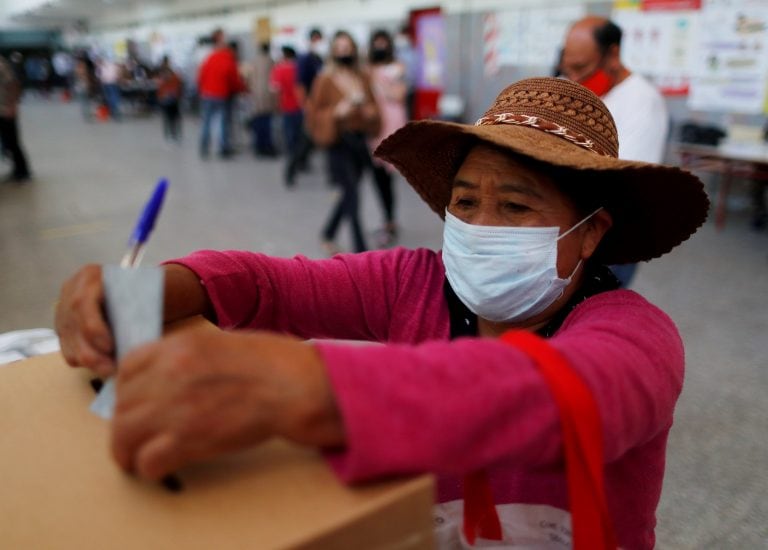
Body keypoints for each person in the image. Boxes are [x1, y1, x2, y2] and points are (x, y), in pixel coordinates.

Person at [55, 78, 709, 549]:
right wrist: (134, 296)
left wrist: (309, 386)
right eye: (464, 201)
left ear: (591, 233)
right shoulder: (410, 285)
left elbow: (565, 399)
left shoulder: (634, 335)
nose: (481, 225)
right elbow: (267, 285)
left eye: (515, 207)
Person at [560, 16, 669, 288]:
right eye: (567, 68)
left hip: (611, 233)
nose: (573, 79)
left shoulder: (642, 101)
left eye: (582, 68)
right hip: (568, 226)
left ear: (613, 54)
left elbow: (622, 180)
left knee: (596, 303)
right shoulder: (576, 88)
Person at [306, 31, 380, 254]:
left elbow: (374, 109)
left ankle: (328, 233)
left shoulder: (362, 78)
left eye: (347, 48)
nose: (344, 52)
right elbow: (313, 115)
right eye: (339, 48)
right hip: (338, 143)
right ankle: (361, 250)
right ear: (332, 52)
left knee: (350, 193)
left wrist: (368, 113)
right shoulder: (325, 80)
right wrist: (336, 113)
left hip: (359, 142)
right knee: (353, 195)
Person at [367, 29, 407, 247]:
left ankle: (390, 221)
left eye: (383, 43)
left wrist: (379, 81)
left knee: (387, 176)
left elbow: (398, 94)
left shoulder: (397, 67)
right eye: (376, 43)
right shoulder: (367, 69)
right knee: (377, 176)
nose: (380, 47)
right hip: (373, 124)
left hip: (390, 123)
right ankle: (387, 219)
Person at [197, 29, 245, 159]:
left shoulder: (210, 57)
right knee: (223, 122)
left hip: (207, 94)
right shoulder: (229, 60)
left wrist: (202, 89)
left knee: (206, 121)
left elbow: (200, 76)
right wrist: (243, 89)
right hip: (221, 95)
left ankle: (204, 148)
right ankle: (224, 148)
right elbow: (234, 80)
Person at [287, 27, 326, 184]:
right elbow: (300, 84)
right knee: (306, 139)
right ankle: (292, 168)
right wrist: (305, 104)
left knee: (312, 139)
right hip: (310, 104)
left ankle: (302, 162)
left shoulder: (318, 58)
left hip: (320, 104)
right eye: (317, 39)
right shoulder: (305, 58)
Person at [270, 46, 303, 185]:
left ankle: (292, 162)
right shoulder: (299, 68)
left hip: (286, 107)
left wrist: (276, 105)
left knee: (289, 137)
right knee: (300, 137)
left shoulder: (278, 70)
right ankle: (300, 161)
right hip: (301, 107)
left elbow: (275, 89)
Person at [0, 54, 32, 183]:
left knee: (12, 142)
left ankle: (22, 171)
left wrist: (12, 106)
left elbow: (13, 84)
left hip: (4, 110)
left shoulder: (1, 64)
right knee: (8, 143)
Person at [246, 42, 277, 157]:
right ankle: (267, 146)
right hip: (267, 94)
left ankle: (258, 146)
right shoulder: (270, 61)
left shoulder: (253, 61)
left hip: (256, 95)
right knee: (266, 122)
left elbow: (249, 78)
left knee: (258, 121)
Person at [155, 56, 183, 142]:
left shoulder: (162, 74)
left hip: (167, 99)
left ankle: (170, 134)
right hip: (171, 99)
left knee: (169, 118)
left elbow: (160, 87)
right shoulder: (172, 74)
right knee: (173, 117)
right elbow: (179, 84)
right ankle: (173, 134)